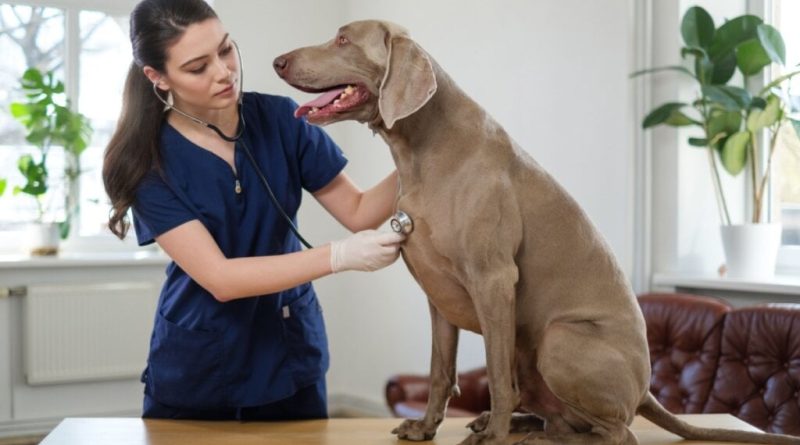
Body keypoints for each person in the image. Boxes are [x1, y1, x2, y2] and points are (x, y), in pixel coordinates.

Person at [102, 0, 404, 420]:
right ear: (158, 77)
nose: (224, 72)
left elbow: (359, 210)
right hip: (201, 369)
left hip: (290, 354)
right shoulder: (144, 162)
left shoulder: (282, 119)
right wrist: (339, 256)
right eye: (197, 67)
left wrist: (422, 151)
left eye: (226, 50)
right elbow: (221, 279)